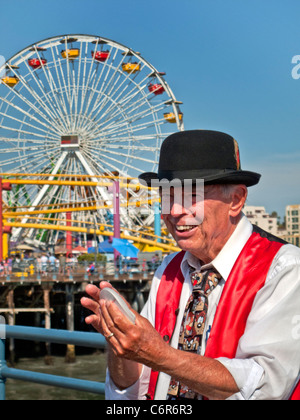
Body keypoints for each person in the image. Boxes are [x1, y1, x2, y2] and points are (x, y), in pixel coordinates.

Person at [81, 130, 300, 400]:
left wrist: (158, 354)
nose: (174, 211)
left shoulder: (284, 268)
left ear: (236, 200)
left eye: (191, 196)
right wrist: (121, 345)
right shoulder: (168, 269)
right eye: (166, 196)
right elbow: (130, 391)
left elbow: (265, 388)